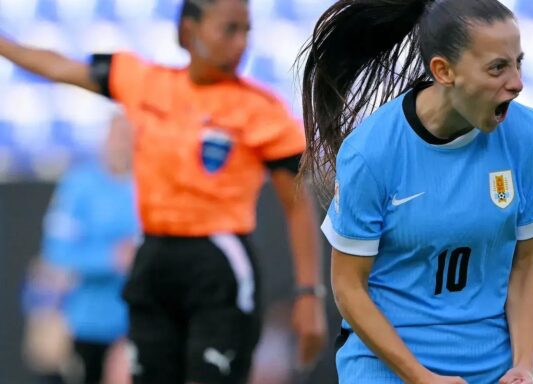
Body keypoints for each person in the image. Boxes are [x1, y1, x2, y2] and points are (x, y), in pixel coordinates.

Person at [0, 0, 328, 383]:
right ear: (188, 32)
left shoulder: (261, 111)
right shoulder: (143, 82)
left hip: (218, 264)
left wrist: (310, 293)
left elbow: (297, 205)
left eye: (246, 31)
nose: (241, 42)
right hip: (153, 261)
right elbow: (58, 67)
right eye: (229, 29)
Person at [300, 1, 533, 383]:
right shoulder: (372, 152)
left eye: (517, 63)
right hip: (389, 368)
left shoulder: (529, 137)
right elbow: (348, 286)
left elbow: (527, 263)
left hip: (495, 366)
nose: (517, 82)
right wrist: (422, 378)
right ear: (443, 71)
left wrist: (522, 365)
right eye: (497, 68)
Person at [39, 113, 138, 384]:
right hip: (88, 324)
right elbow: (56, 253)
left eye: (129, 137)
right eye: (118, 135)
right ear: (105, 138)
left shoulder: (150, 186)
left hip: (139, 324)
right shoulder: (79, 184)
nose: (122, 144)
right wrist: (111, 258)